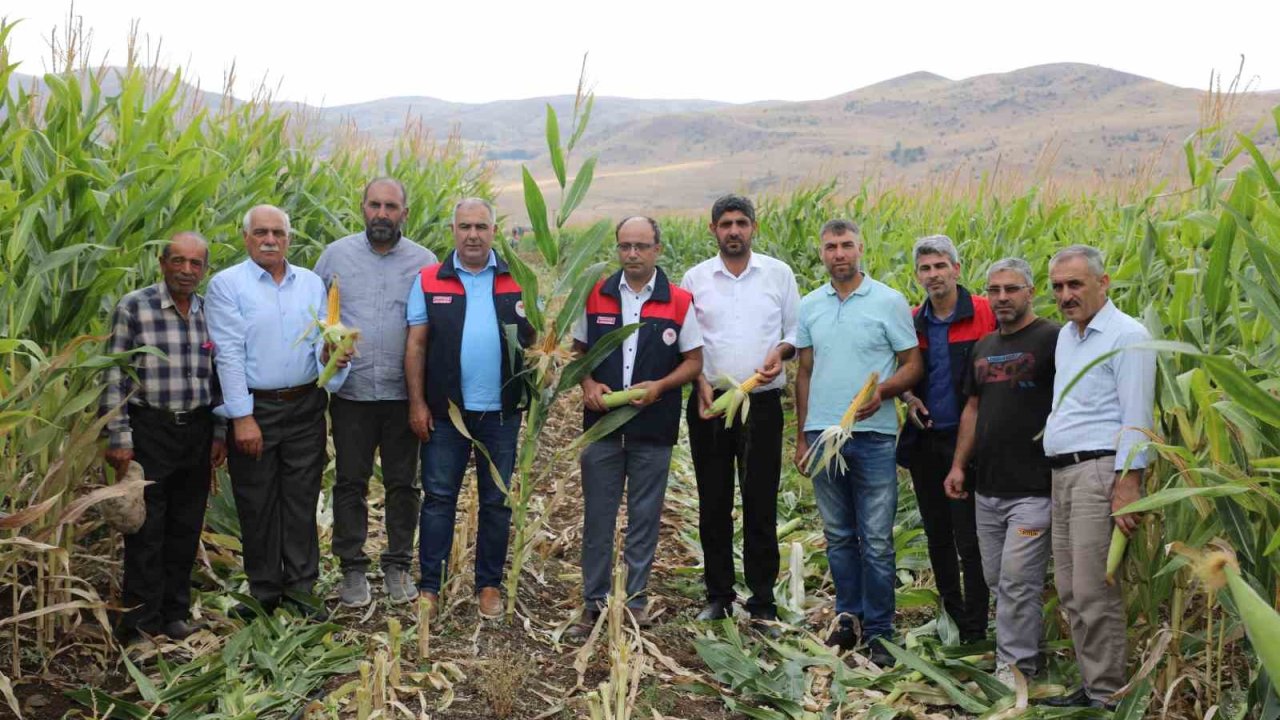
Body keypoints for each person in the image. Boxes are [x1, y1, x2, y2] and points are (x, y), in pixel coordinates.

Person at [207, 205, 351, 616]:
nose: (269, 240)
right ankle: (265, 590)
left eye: (278, 233)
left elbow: (320, 342)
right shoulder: (227, 286)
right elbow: (229, 354)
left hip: (305, 405)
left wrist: (333, 356)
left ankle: (302, 588)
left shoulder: (309, 283)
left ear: (289, 239)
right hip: (257, 408)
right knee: (257, 501)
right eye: (261, 233)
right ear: (246, 237)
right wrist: (242, 417)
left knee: (301, 499)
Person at [794, 219, 922, 667]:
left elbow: (911, 364)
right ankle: (849, 617)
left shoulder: (888, 301)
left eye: (846, 245)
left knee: (876, 538)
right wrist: (801, 436)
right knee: (838, 535)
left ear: (860, 249)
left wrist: (882, 393)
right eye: (830, 247)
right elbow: (804, 371)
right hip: (824, 435)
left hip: (873, 436)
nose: (839, 254)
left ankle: (882, 631)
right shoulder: (810, 305)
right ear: (822, 253)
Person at [570, 217, 703, 634]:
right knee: (598, 518)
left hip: (654, 429)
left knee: (645, 519)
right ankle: (593, 603)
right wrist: (588, 383)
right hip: (602, 427)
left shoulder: (679, 301)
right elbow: (577, 353)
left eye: (641, 246)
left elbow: (694, 361)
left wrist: (660, 385)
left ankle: (634, 602)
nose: (632, 254)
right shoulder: (595, 295)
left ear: (657, 250)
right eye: (625, 246)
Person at [406, 198, 535, 620]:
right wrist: (418, 403)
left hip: (501, 413)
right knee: (439, 499)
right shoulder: (429, 279)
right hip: (447, 415)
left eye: (481, 226)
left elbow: (536, 342)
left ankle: (489, 585)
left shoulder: (519, 280)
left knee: (496, 502)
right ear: (453, 231)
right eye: (465, 227)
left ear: (494, 232)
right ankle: (431, 586)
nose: (473, 234)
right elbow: (417, 345)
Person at [1039, 245, 1155, 711]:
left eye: (1075, 284)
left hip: (1099, 472)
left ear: (1103, 283)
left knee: (1093, 588)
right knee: (1069, 587)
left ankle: (1108, 693)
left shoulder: (1128, 335)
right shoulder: (1068, 336)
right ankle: (1092, 685)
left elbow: (1137, 414)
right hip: (1064, 473)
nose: (1066, 295)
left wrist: (1128, 482)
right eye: (1059, 287)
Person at [314, 178, 437, 608]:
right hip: (352, 395)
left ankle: (398, 563)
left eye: (391, 206)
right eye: (374, 205)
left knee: (404, 483)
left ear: (405, 212)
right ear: (362, 207)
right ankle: (351, 567)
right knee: (350, 481)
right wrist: (325, 350)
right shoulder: (335, 256)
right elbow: (314, 317)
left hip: (404, 394)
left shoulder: (424, 262)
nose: (382, 213)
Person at [679, 194, 800, 625]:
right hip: (711, 402)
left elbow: (794, 330)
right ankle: (719, 595)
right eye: (726, 223)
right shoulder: (695, 279)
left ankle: (763, 599)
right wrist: (698, 384)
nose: (734, 230)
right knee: (713, 500)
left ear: (754, 227)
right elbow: (687, 342)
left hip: (762, 403)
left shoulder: (778, 274)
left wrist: (781, 352)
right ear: (712, 229)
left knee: (760, 500)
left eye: (741, 223)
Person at [101, 232, 227, 642]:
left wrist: (219, 431)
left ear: (204, 269)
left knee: (185, 526)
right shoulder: (134, 307)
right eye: (178, 261)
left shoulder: (211, 312)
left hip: (197, 429)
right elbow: (114, 372)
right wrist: (118, 434)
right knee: (145, 529)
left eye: (196, 264)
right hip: (149, 429)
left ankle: (174, 614)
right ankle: (138, 622)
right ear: (162, 262)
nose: (187, 270)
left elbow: (221, 376)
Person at [943, 258, 1059, 686]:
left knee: (1017, 582)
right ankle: (1029, 652)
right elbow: (972, 409)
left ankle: (1015, 670)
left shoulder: (1052, 339)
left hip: (1033, 487)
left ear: (1030, 292)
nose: (1002, 298)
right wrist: (958, 465)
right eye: (994, 291)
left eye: (1011, 289)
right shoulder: (985, 345)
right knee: (997, 579)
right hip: (987, 487)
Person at [895, 235, 995, 644]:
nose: (933, 275)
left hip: (972, 442)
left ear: (957, 269)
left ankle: (976, 623)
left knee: (969, 538)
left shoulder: (987, 314)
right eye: (925, 268)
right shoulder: (913, 319)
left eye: (940, 266)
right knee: (937, 532)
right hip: (927, 441)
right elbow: (902, 371)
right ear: (917, 275)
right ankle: (951, 613)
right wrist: (908, 396)